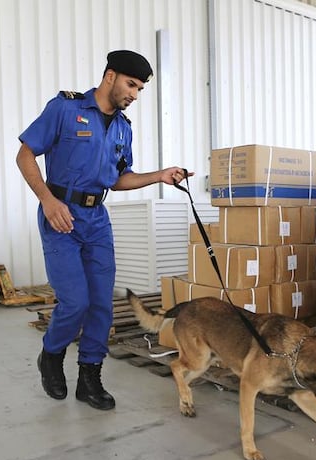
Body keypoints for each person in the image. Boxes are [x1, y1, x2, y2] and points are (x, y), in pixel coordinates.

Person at [16, 50, 192, 411]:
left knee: (101, 305)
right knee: (75, 301)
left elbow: (118, 179)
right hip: (60, 216)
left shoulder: (123, 128)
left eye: (141, 89)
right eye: (131, 84)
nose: (135, 94)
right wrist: (48, 201)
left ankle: (89, 378)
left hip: (97, 221)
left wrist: (159, 176)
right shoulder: (65, 109)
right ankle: (51, 354)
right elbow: (25, 154)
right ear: (110, 76)